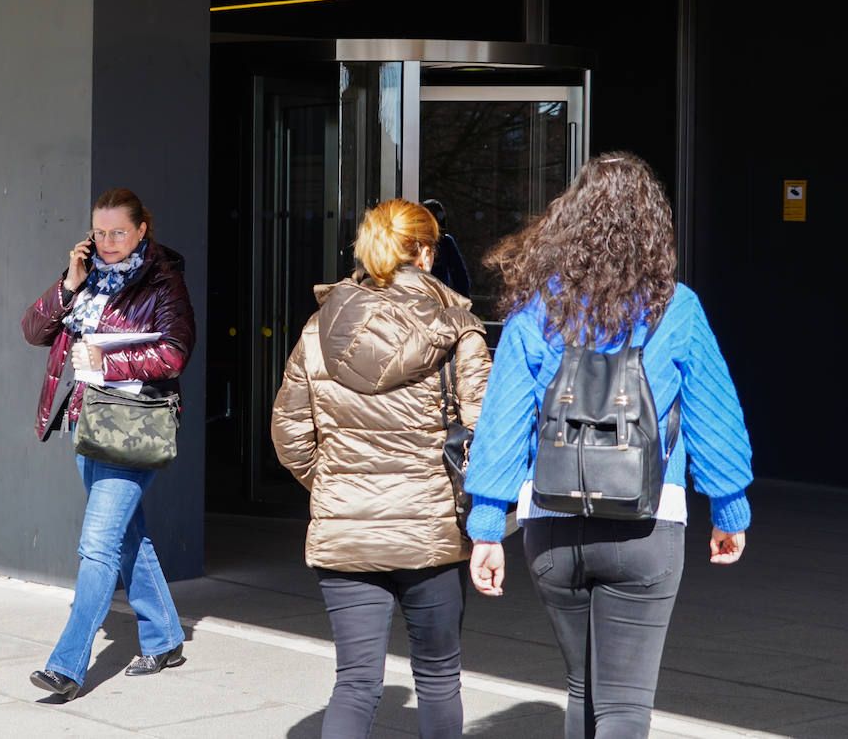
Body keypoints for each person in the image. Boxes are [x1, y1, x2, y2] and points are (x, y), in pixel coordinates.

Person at [464, 153, 753, 739]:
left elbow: (502, 423)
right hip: (647, 525)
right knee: (623, 708)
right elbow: (713, 416)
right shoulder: (679, 307)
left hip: (550, 522)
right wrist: (729, 508)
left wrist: (487, 525)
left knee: (583, 691)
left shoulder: (534, 309)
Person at [271, 199, 492, 739]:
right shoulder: (459, 329)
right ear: (424, 252)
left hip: (344, 529)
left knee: (354, 682)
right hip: (430, 530)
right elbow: (486, 434)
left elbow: (290, 435)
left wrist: (336, 484)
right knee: (439, 677)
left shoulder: (318, 329)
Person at [21, 187, 194, 701]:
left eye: (119, 231)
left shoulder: (165, 281)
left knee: (98, 543)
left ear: (143, 229)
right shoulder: (88, 275)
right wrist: (69, 283)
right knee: (127, 535)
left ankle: (67, 666)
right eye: (99, 232)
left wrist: (107, 364)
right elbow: (33, 330)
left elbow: (175, 352)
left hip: (132, 423)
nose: (108, 241)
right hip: (86, 420)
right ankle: (164, 638)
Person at [421, 199, 470, 299]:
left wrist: (462, 304)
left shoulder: (445, 243)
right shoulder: (414, 242)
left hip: (437, 300)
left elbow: (460, 277)